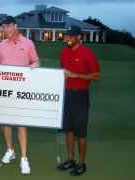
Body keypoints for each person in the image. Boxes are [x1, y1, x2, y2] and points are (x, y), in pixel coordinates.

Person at [0, 16, 40, 175]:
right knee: (6, 123)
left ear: (15, 26)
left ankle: (24, 159)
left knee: (22, 123)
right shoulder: (1, 45)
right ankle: (10, 150)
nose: (5, 30)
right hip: (6, 90)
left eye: (8, 26)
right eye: (4, 27)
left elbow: (36, 61)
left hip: (22, 91)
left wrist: (34, 64)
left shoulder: (28, 43)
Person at [56, 25, 100, 176]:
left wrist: (75, 75)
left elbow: (96, 76)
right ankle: (71, 159)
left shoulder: (87, 54)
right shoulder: (63, 53)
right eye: (66, 36)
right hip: (66, 95)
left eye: (71, 36)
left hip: (81, 96)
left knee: (81, 133)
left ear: (79, 37)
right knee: (69, 130)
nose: (67, 38)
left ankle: (82, 164)